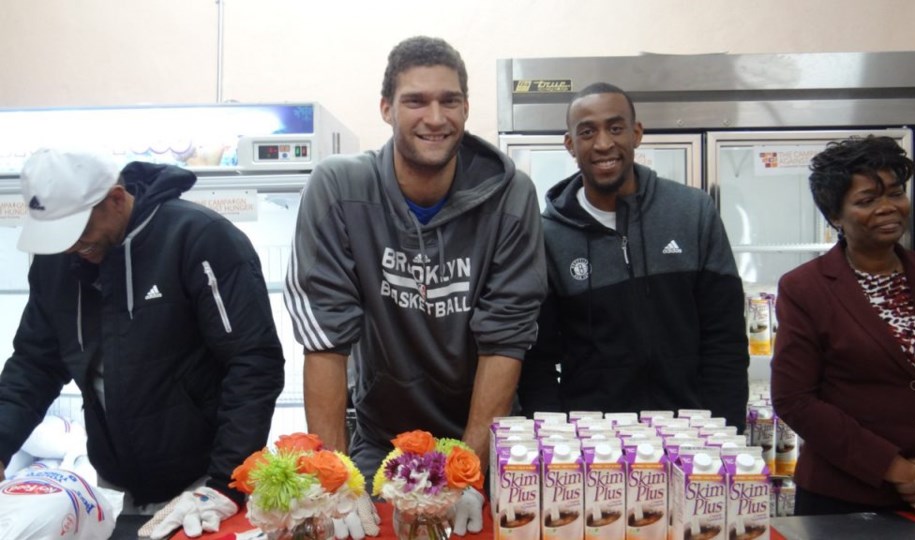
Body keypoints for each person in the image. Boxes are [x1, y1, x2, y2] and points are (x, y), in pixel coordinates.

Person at [284, 35, 545, 518]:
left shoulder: (512, 197)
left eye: (449, 101)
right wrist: (336, 478)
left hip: (485, 443)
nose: (435, 117)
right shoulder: (339, 189)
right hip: (381, 442)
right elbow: (325, 339)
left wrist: (469, 472)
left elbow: (506, 340)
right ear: (386, 108)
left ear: (466, 109)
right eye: (415, 101)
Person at [0, 149, 285, 538]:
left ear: (116, 199)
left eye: (78, 232)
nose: (71, 246)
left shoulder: (198, 238)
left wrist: (224, 484)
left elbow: (254, 361)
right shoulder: (58, 262)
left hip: (205, 480)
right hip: (121, 484)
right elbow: (34, 364)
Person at [517, 82, 749, 431]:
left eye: (615, 128)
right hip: (593, 447)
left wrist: (723, 432)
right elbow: (538, 361)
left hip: (687, 439)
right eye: (587, 132)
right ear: (570, 145)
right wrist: (556, 441)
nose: (604, 143)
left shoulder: (692, 212)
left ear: (636, 134)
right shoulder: (548, 236)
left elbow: (725, 339)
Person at [771, 135, 915, 515]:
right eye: (867, 200)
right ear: (835, 216)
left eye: (894, 193)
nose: (888, 208)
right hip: (843, 498)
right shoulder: (805, 288)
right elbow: (796, 400)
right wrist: (898, 470)